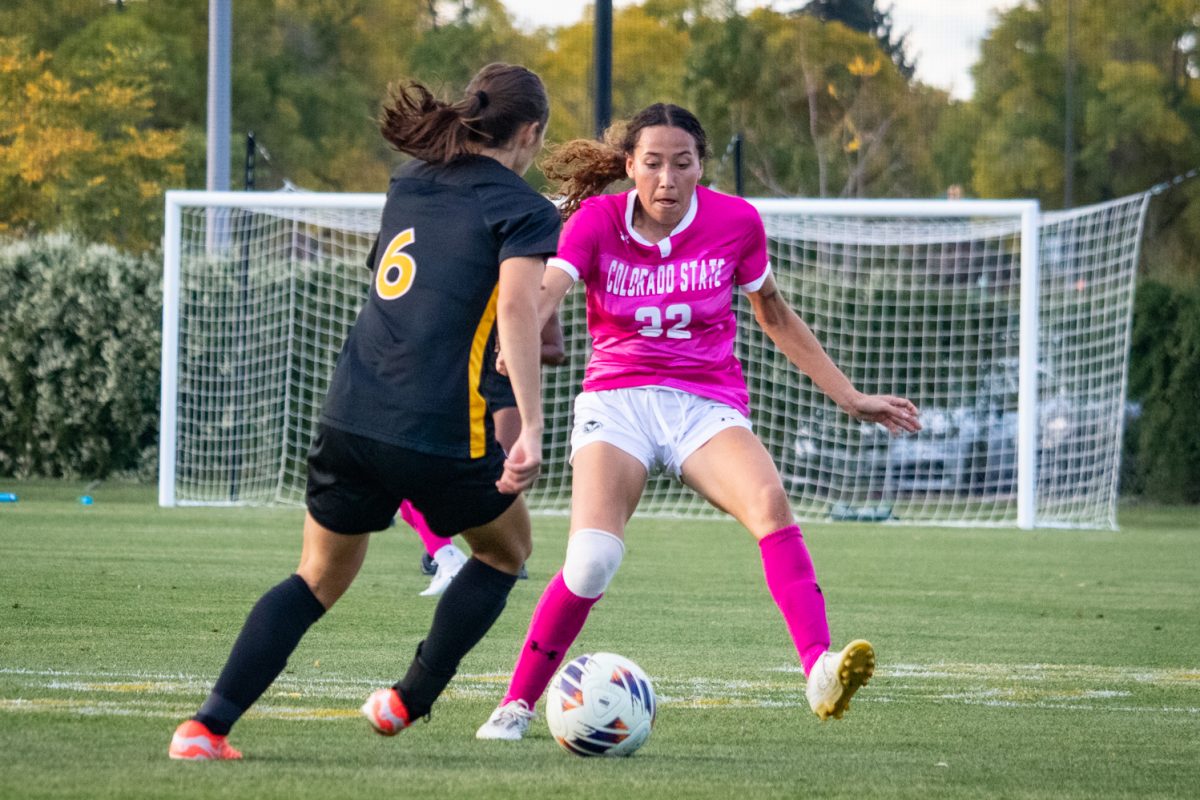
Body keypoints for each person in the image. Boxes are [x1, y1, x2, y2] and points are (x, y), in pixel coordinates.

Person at [476, 103, 921, 741]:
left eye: (682, 164)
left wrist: (849, 396)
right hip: (617, 401)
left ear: (700, 167)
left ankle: (819, 668)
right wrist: (519, 378)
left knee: (770, 502)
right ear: (629, 166)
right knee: (592, 560)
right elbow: (535, 301)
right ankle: (515, 703)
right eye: (652, 164)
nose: (666, 179)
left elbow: (773, 314)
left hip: (704, 402)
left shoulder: (735, 222)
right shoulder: (596, 221)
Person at [168, 62, 561, 760]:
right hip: (441, 425)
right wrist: (530, 425)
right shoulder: (524, 208)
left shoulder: (408, 180)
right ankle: (408, 699)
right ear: (530, 133)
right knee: (507, 554)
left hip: (352, 411)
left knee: (315, 577)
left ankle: (204, 727)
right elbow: (516, 309)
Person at [403, 319, 564, 596]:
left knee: (498, 475)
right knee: (413, 475)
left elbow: (556, 350)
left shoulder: (534, 287)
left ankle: (504, 550)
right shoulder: (467, 284)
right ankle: (444, 551)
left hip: (505, 389)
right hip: (463, 385)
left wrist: (515, 349)